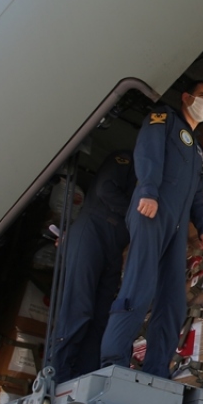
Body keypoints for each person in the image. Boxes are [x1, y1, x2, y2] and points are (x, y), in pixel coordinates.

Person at [100, 81, 203, 378]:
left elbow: (197, 194)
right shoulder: (164, 118)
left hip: (177, 228)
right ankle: (112, 362)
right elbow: (148, 153)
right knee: (139, 288)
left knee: (173, 302)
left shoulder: (197, 150)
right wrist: (149, 192)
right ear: (187, 97)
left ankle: (156, 371)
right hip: (152, 212)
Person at [47, 149, 136, 382]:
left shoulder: (153, 176)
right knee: (79, 305)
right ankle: (57, 373)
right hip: (93, 233)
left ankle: (83, 376)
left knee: (101, 316)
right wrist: (138, 215)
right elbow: (105, 188)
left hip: (114, 245)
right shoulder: (125, 159)